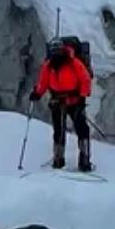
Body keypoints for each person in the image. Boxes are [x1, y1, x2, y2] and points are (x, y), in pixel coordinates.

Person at [29, 39, 93, 172]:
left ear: (63, 50)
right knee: (59, 130)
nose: (56, 53)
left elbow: (85, 79)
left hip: (74, 101)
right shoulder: (49, 66)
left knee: (81, 129)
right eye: (54, 51)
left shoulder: (73, 62)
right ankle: (59, 159)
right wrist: (37, 93)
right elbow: (43, 82)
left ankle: (84, 159)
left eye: (58, 50)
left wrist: (82, 97)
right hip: (58, 101)